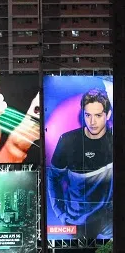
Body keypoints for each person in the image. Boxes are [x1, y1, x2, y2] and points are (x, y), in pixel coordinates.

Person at [48, 88, 114, 239]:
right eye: (88, 115)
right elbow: (53, 177)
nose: (92, 122)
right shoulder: (68, 141)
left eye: (98, 115)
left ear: (108, 114)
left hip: (108, 219)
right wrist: (60, 213)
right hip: (77, 221)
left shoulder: (115, 140)